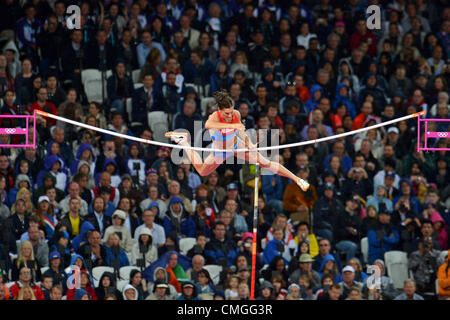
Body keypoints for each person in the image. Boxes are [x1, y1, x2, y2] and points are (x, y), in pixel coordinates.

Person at [165, 90, 309, 192]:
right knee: (202, 171)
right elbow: (209, 126)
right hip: (220, 150)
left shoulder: (236, 114)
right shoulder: (214, 117)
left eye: (231, 111)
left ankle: (297, 179)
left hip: (236, 145)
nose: (230, 115)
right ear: (220, 111)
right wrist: (232, 125)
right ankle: (184, 142)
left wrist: (249, 144)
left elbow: (241, 132)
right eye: (226, 113)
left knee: (265, 162)